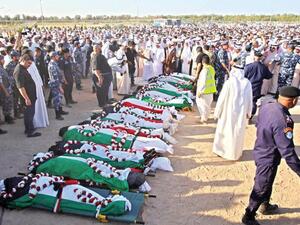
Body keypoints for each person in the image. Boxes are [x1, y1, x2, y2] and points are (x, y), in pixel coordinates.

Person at [242, 86, 300, 225]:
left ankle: (265, 205)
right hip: (268, 156)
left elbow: (260, 124)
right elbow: (288, 151)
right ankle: (249, 215)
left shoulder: (268, 106)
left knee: (268, 179)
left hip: (261, 148)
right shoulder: (283, 120)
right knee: (262, 184)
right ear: (292, 101)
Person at [213, 62, 253, 160]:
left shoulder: (229, 82)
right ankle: (234, 153)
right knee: (237, 132)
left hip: (227, 112)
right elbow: (249, 99)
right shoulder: (247, 83)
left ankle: (222, 151)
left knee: (225, 130)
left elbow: (221, 99)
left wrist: (217, 112)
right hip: (240, 113)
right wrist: (249, 112)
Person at [14, 54, 41, 137]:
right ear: (23, 60)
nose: (29, 65)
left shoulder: (23, 68)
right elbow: (20, 87)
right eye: (28, 63)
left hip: (30, 96)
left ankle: (29, 129)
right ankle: (30, 132)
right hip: (27, 97)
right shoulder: (19, 71)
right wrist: (26, 98)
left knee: (30, 114)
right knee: (29, 114)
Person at [244, 51, 273, 119]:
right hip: (257, 87)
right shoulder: (263, 67)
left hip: (247, 86)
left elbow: (244, 76)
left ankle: (246, 115)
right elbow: (268, 76)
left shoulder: (248, 66)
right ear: (260, 58)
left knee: (246, 101)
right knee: (254, 102)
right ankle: (250, 116)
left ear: (254, 57)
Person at [26, 49, 49, 128]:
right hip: (33, 89)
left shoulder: (32, 64)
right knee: (33, 108)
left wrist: (40, 85)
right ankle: (34, 124)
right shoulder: (26, 67)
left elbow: (37, 76)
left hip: (38, 88)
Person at [195, 55, 216, 123]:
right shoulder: (212, 68)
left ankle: (203, 118)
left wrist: (200, 91)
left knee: (202, 104)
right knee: (207, 105)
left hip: (204, 90)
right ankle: (206, 117)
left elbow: (203, 82)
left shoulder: (205, 70)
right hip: (211, 90)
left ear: (203, 62)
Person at [48, 51, 68, 120]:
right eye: (57, 56)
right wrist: (60, 87)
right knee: (56, 100)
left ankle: (60, 110)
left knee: (59, 98)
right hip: (55, 85)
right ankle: (57, 115)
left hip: (58, 84)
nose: (58, 57)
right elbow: (55, 78)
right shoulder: (52, 65)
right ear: (53, 57)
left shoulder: (54, 63)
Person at [0, 55, 14, 124]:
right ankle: (7, 117)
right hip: (3, 90)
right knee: (5, 104)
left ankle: (7, 116)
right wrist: (5, 92)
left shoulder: (2, 68)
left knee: (8, 103)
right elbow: (0, 82)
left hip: (7, 88)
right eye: (2, 59)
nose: (4, 61)